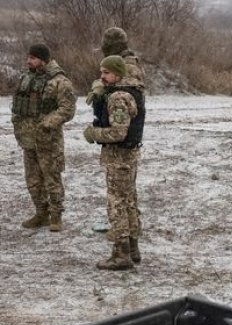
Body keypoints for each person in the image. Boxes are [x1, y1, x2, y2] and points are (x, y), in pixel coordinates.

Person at [83, 55, 146, 270]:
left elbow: (119, 132)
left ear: (118, 74)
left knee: (117, 203)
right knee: (129, 200)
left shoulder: (118, 97)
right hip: (128, 156)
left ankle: (121, 254)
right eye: (101, 72)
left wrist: (95, 133)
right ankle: (133, 247)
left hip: (119, 157)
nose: (102, 76)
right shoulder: (130, 90)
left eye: (106, 73)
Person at [10, 43, 76, 231]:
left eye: (32, 58)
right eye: (28, 57)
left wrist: (48, 122)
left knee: (51, 179)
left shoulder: (59, 81)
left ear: (43, 60)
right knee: (33, 180)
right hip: (28, 139)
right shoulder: (27, 77)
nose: (28, 61)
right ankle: (41, 213)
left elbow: (68, 109)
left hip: (48, 140)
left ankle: (56, 216)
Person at [86, 27, 145, 106]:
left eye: (106, 50)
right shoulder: (122, 62)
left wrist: (101, 88)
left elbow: (124, 90)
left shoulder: (128, 66)